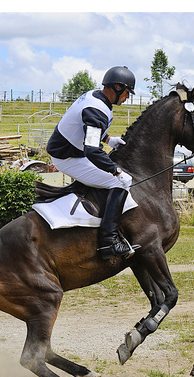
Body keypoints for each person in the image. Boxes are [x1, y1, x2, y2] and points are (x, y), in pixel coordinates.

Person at [46, 65, 136, 258]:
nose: (128, 97)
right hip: (68, 157)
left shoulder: (95, 96)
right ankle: (108, 242)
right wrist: (117, 172)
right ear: (118, 87)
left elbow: (88, 130)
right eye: (127, 92)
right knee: (117, 183)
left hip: (70, 150)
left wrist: (108, 140)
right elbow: (92, 150)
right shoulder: (97, 109)